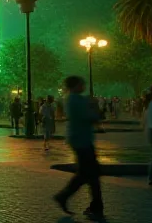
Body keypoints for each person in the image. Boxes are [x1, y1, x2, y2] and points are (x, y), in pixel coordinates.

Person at [53, 76, 104, 220]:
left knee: (88, 173)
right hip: (82, 139)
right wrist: (94, 107)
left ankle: (93, 205)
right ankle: (93, 205)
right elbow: (90, 116)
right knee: (90, 173)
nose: (84, 86)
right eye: (82, 84)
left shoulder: (70, 98)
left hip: (78, 138)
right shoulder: (77, 99)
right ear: (76, 85)